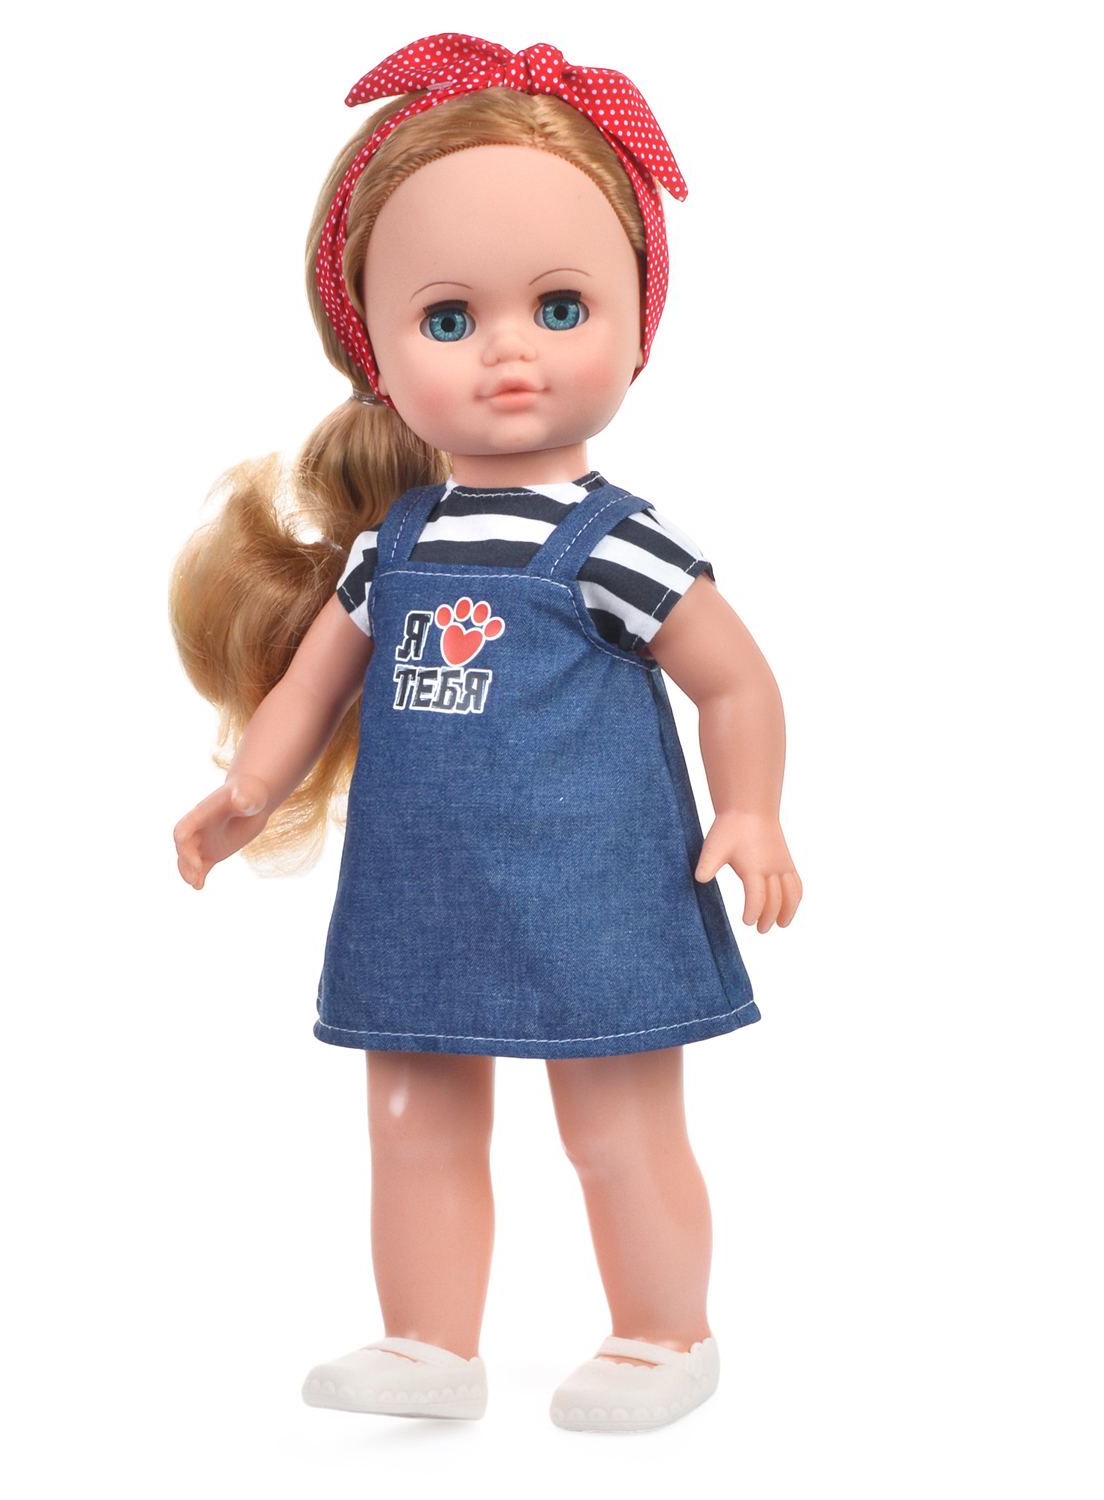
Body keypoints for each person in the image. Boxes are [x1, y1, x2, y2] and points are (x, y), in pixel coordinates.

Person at [171, 34, 801, 1433]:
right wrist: (251, 785)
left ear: (639, 322)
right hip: (422, 887)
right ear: (374, 351)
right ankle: (428, 1342)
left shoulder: (618, 543)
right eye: (450, 318)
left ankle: (664, 1332)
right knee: (412, 1118)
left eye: (561, 306)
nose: (511, 350)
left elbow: (737, 683)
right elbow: (312, 689)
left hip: (598, 885)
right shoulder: (390, 550)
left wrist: (750, 809)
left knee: (615, 1122)